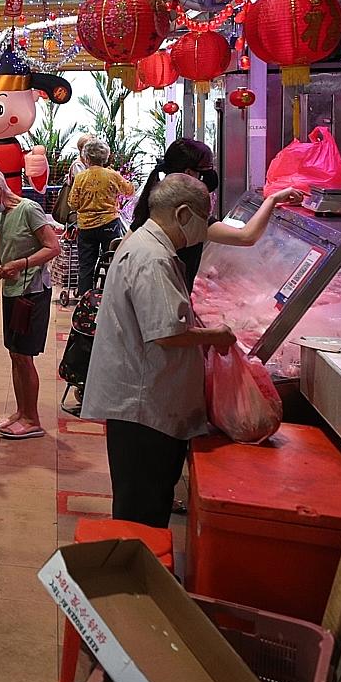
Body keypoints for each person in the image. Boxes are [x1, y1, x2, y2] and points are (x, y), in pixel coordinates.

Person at [82, 175, 239, 528]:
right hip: (144, 407)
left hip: (143, 401)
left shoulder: (147, 244)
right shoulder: (152, 258)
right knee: (142, 508)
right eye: (205, 218)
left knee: (144, 501)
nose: (206, 228)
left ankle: (141, 569)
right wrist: (215, 335)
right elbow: (166, 334)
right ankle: (137, 574)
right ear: (183, 214)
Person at [130, 138, 302, 290]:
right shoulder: (186, 213)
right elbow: (246, 237)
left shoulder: (155, 203)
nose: (210, 175)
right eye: (206, 169)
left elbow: (121, 248)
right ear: (190, 173)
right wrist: (272, 200)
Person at [0, 159, 60, 441]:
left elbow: (52, 247)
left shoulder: (28, 210)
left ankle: (32, 418)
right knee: (14, 354)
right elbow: (1, 254)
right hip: (12, 292)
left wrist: (20, 264)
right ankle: (20, 413)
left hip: (31, 293)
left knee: (24, 356)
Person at [69, 138, 133, 287]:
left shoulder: (80, 177)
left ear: (86, 157)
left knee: (86, 265)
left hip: (85, 226)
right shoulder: (112, 175)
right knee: (112, 261)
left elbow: (73, 203)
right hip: (109, 223)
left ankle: (84, 299)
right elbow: (129, 191)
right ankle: (110, 295)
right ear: (105, 156)